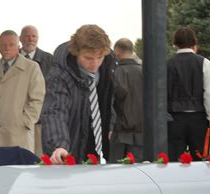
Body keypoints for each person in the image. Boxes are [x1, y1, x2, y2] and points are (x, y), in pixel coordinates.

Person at [40, 24, 116, 164]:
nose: (95, 64)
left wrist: (111, 124)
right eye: (88, 58)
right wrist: (59, 145)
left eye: (99, 57)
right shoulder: (59, 75)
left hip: (98, 147)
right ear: (76, 52)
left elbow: (110, 101)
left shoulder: (108, 67)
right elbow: (55, 111)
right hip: (69, 146)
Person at [0, 30, 45, 153]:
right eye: (3, 45)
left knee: (20, 170)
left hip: (19, 133)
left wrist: (26, 121)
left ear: (18, 47)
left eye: (11, 44)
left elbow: (37, 98)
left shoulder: (32, 67)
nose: (7, 48)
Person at [167, 26, 210, 161]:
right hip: (198, 120)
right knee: (200, 159)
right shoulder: (204, 63)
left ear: (175, 43)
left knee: (173, 161)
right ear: (194, 43)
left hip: (174, 119)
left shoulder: (168, 64)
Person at [20, 25, 53, 156]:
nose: (30, 39)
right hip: (17, 122)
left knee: (40, 159)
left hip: (40, 121)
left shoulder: (49, 59)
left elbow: (52, 89)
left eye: (34, 36)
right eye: (27, 36)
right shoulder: (12, 58)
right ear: (20, 38)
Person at [109, 38, 143, 162]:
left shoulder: (115, 73)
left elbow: (111, 103)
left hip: (120, 133)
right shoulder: (144, 72)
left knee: (116, 173)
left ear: (117, 51)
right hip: (141, 134)